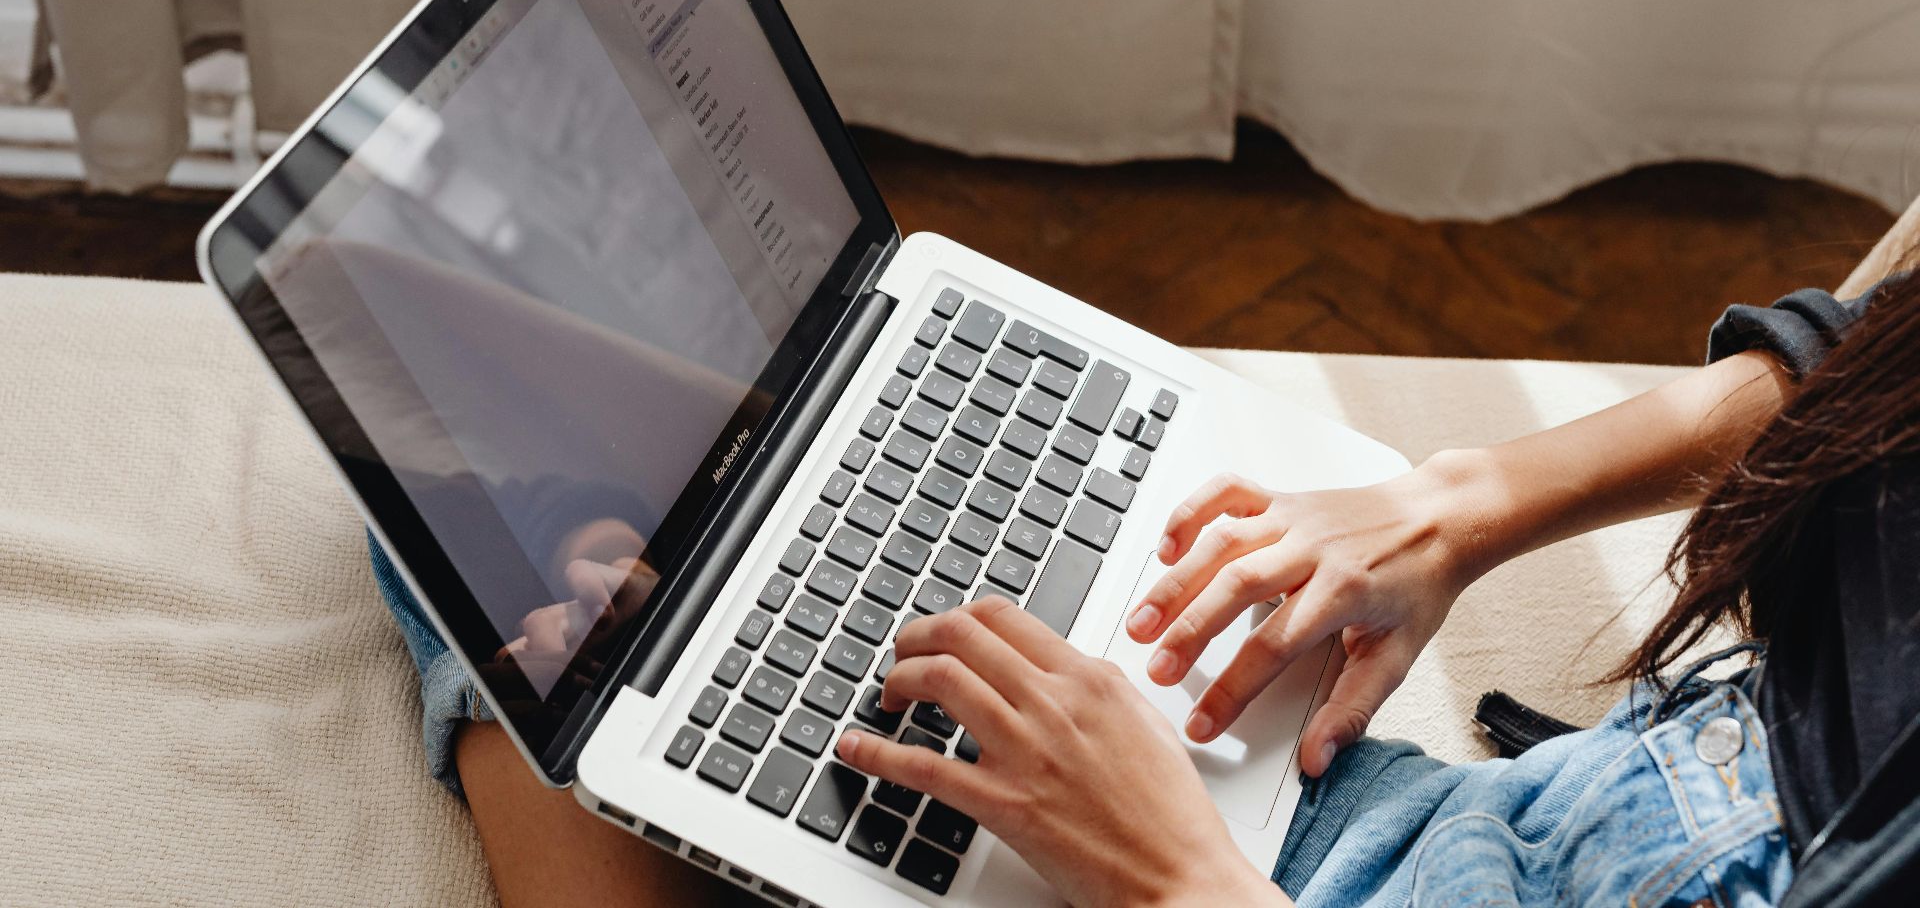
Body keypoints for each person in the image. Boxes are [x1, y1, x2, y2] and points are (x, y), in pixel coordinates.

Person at [381, 248, 1917, 905]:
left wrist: (1178, 878)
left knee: (461, 548)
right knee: (601, 431)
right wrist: (1461, 505)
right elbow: (1871, 363)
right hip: (1495, 821)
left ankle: (586, 681)